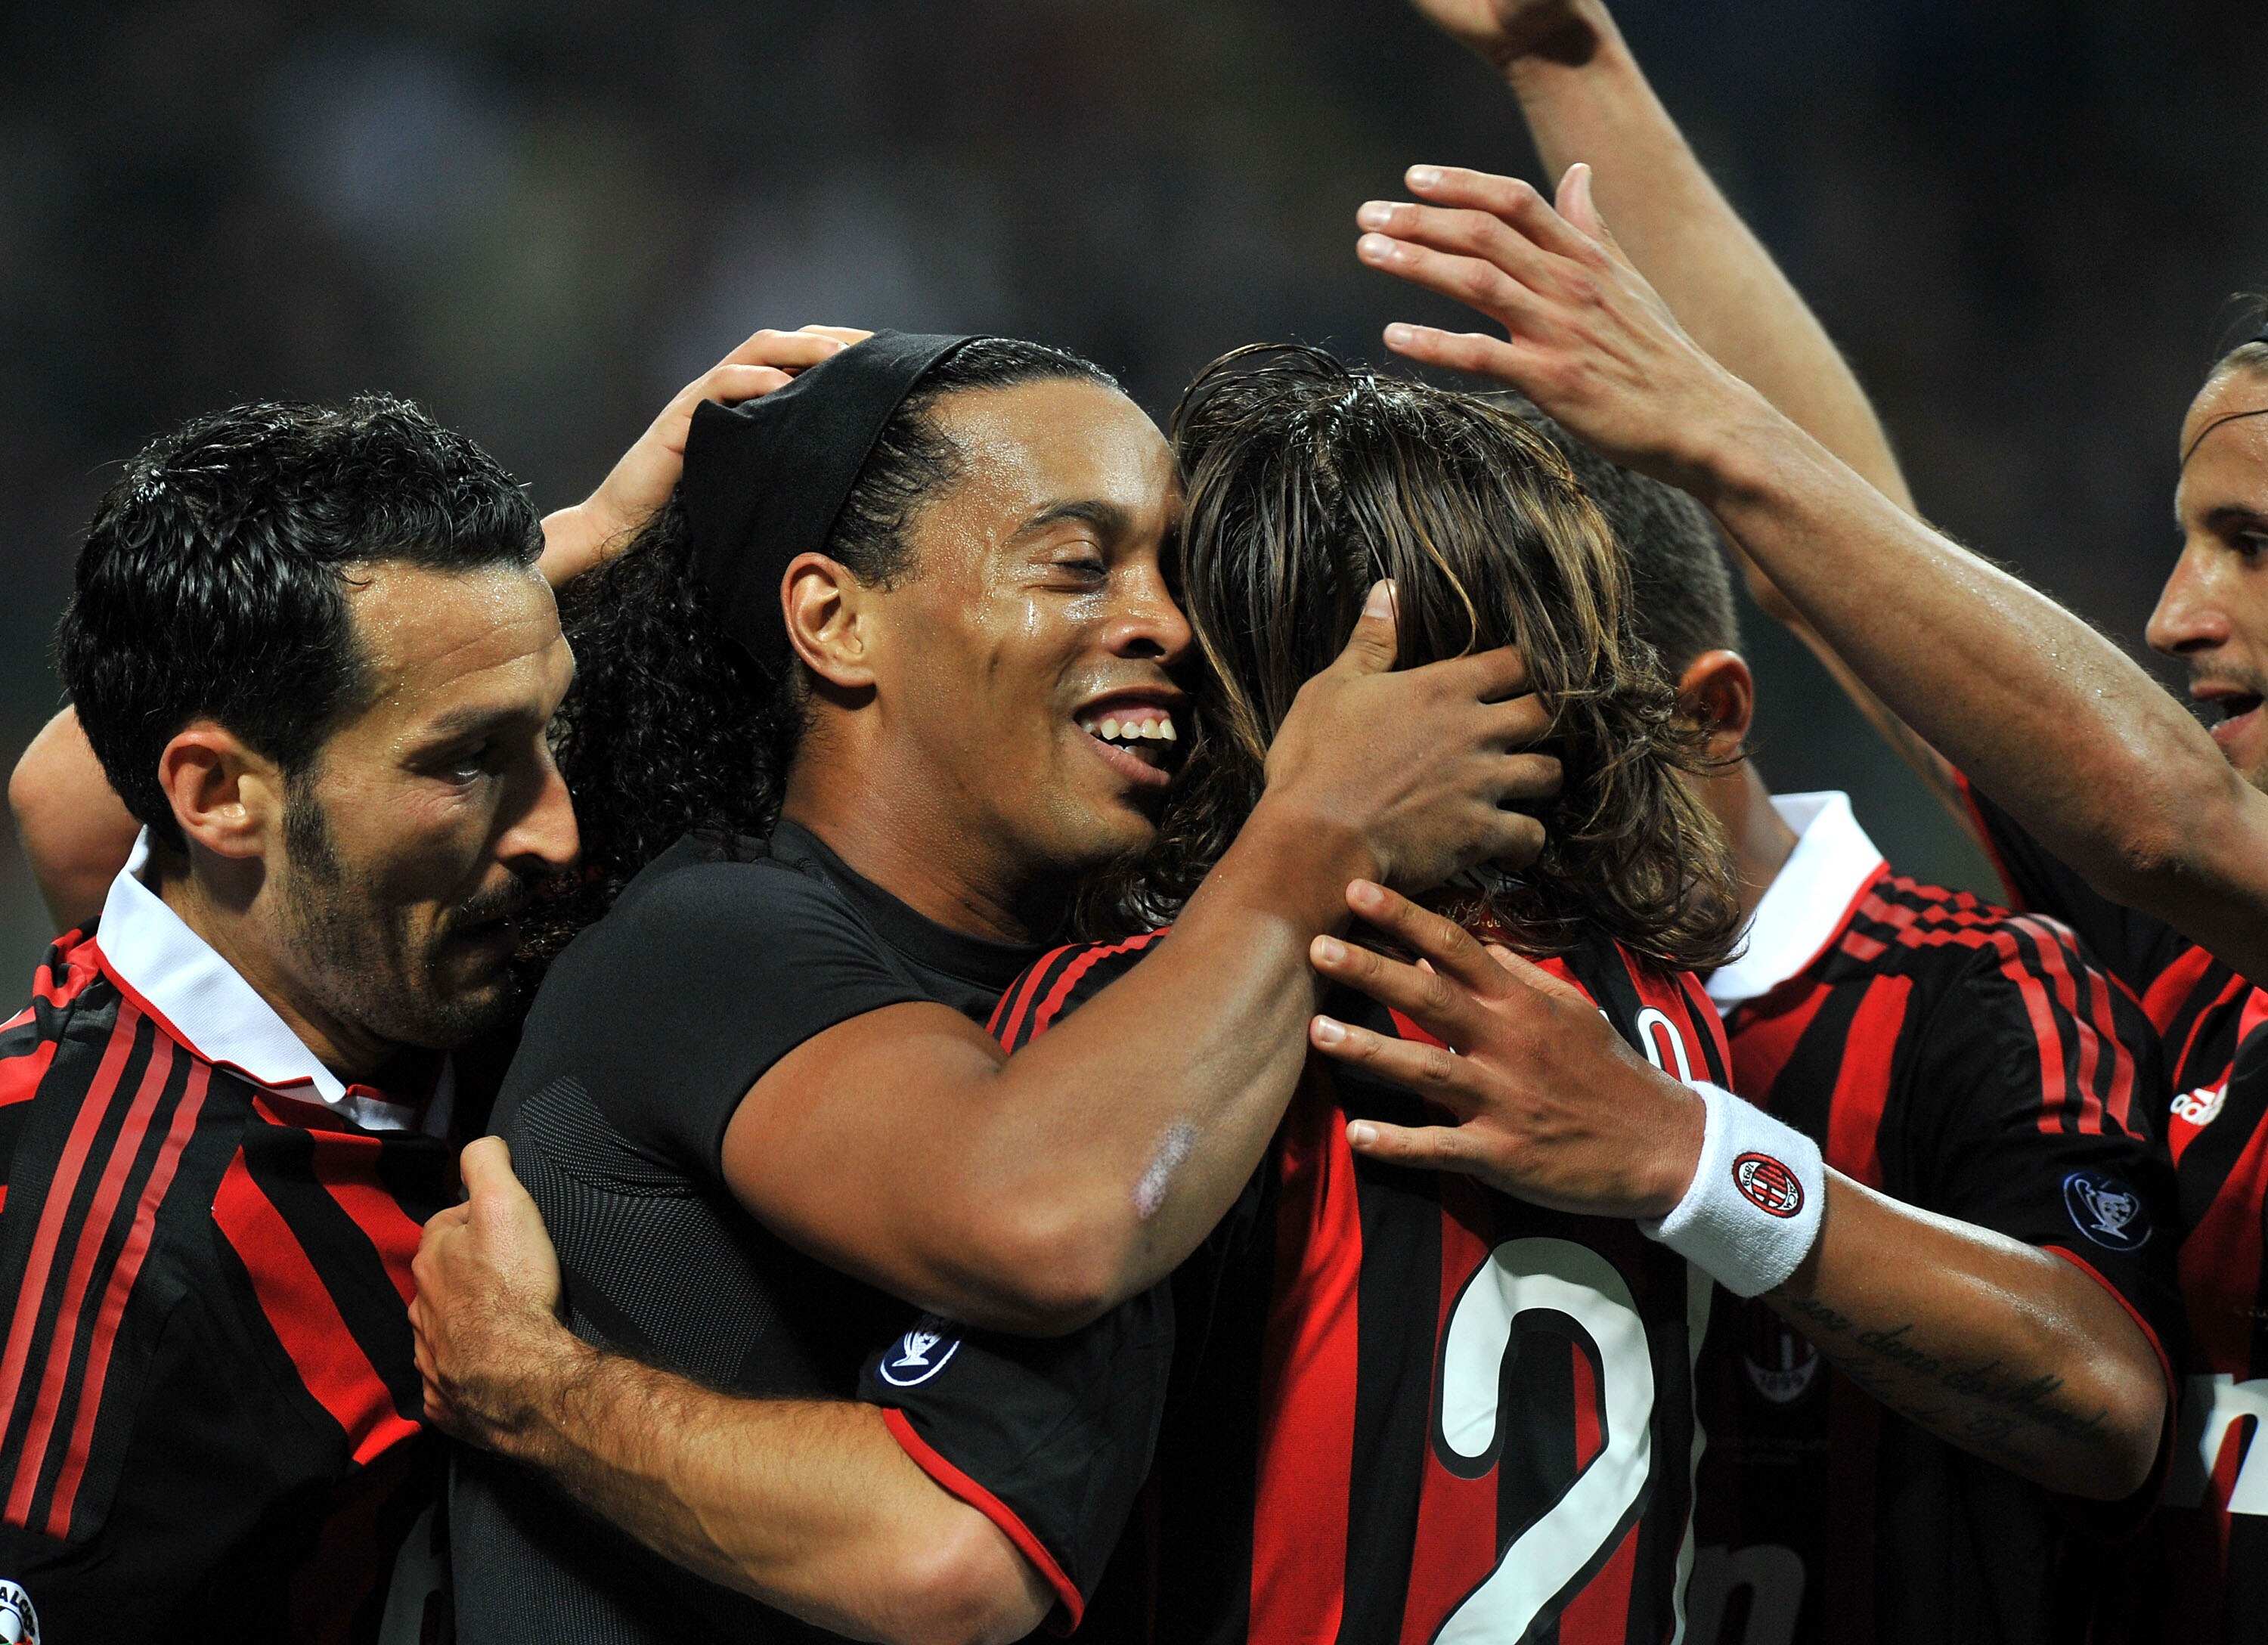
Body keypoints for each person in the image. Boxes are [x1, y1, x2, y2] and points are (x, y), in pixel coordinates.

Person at [420, 330, 1563, 1642]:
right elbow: (1049, 1221)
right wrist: (1317, 831)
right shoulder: (707, 943)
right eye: (1079, 565)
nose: (1167, 626)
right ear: (836, 620)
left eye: (1172, 574)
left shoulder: (1127, 1011)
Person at [1349, 8, 2268, 1637]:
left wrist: (1690, 1150)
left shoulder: (2160, 871)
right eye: (2192, 540)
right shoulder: (2202, 973)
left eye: (2254, 543)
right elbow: (1851, 555)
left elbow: (2162, 814)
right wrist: (1565, 60)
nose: (2180, 613)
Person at [0, 326, 865, 1643]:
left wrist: (568, 543)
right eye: (464, 759)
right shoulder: (113, 1292)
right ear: (220, 796)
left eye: (547, 731)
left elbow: (59, 792)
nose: (559, 832)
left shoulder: (346, 933)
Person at [1534, 410, 2177, 1645]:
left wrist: (1694, 1158)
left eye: (1554, 757)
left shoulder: (1977, 990)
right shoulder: (1511, 1005)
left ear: (1712, 716)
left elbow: (2107, 1397)